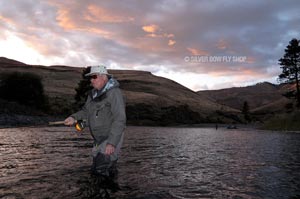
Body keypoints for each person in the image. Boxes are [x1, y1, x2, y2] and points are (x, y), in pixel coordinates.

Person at [64, 65, 126, 186]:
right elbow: (86, 111)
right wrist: (73, 117)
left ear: (104, 77)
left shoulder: (114, 93)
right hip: (98, 139)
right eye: (90, 78)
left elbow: (120, 119)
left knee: (100, 171)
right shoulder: (92, 95)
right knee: (103, 169)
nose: (91, 80)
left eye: (94, 77)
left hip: (110, 137)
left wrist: (111, 143)